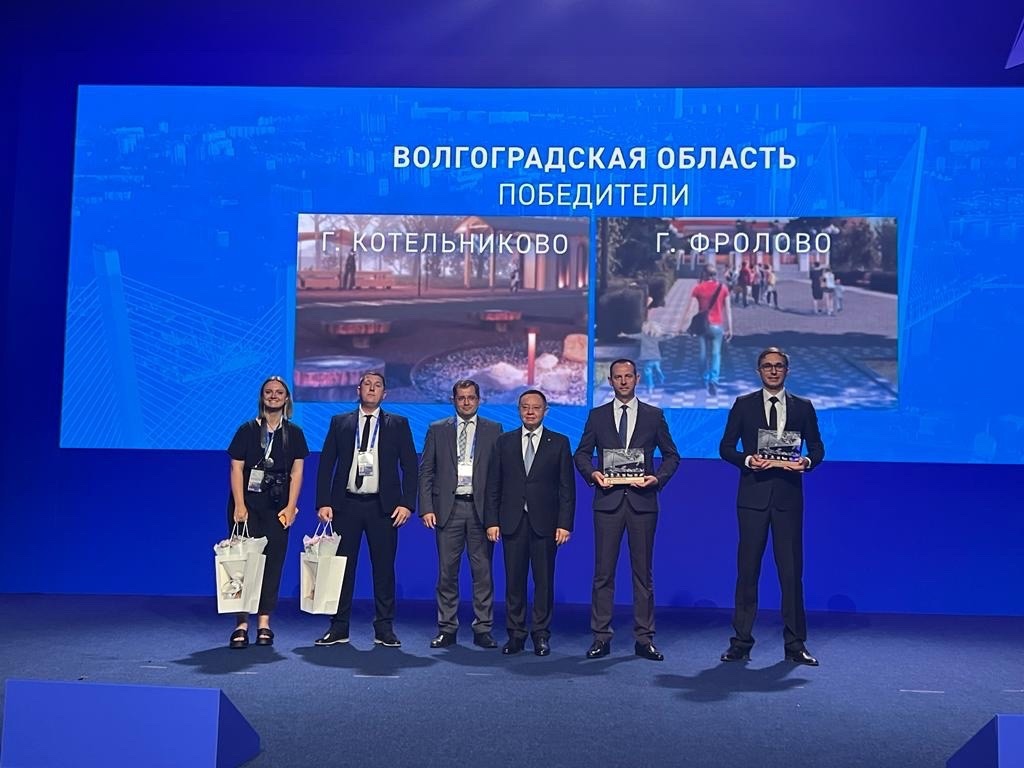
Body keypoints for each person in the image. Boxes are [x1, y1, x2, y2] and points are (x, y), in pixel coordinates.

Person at [718, 347, 825, 666]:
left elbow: (817, 447)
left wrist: (806, 462)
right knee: (747, 572)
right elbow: (726, 447)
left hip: (788, 500)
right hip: (752, 499)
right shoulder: (743, 404)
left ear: (787, 371)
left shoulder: (803, 407)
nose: (773, 370)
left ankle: (795, 644)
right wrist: (748, 460)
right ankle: (741, 642)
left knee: (791, 574)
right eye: (767, 366)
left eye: (779, 366)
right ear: (759, 371)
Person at [574, 359, 680, 661]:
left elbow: (672, 456)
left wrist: (657, 479)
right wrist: (592, 474)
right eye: (617, 377)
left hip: (642, 503)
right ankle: (601, 637)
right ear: (610, 381)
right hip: (607, 503)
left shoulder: (653, 415)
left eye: (628, 376)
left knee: (643, 575)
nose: (623, 381)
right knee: (603, 574)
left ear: (636, 379)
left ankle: (644, 639)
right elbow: (581, 454)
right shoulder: (597, 416)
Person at [314, 372, 417, 648]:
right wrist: (323, 501)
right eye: (367, 385)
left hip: (383, 508)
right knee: (341, 568)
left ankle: (384, 628)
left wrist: (407, 503)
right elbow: (326, 464)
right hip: (345, 506)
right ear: (358, 390)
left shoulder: (398, 424)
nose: (372, 389)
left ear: (385, 394)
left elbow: (410, 466)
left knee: (383, 570)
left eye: (378, 385)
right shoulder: (341, 422)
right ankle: (338, 626)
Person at [485, 389, 574, 657]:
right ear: (518, 410)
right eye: (525, 407)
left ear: (546, 411)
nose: (530, 411)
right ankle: (515, 635)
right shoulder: (504, 442)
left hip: (546, 524)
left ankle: (541, 635)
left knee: (543, 582)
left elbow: (566, 488)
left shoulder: (559, 443)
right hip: (512, 522)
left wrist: (565, 524)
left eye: (536, 407)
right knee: (514, 582)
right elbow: (493, 485)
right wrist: (492, 521)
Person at [418, 379, 503, 649]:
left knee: (483, 573)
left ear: (479, 399)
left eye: (471, 397)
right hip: (448, 509)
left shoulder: (494, 429)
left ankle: (483, 628)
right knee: (447, 573)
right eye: (461, 398)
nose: (466, 402)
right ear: (453, 400)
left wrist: (496, 516)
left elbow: (499, 475)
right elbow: (426, 471)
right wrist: (426, 507)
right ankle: (447, 628)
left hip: (481, 511)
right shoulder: (437, 429)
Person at [226, 376, 309, 649]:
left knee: (273, 562)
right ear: (262, 397)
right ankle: (241, 624)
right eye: (268, 392)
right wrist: (240, 504)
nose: (273, 396)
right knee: (243, 564)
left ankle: (264, 622)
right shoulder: (247, 429)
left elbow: (297, 472)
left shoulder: (294, 433)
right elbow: (236, 468)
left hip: (278, 506)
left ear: (286, 399)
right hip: (247, 505)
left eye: (279, 392)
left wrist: (291, 506)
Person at [686, 264, 734, 397]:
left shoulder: (698, 288)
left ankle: (704, 378)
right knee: (716, 354)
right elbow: (728, 310)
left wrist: (684, 324)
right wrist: (730, 328)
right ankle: (714, 380)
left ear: (704, 274)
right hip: (717, 325)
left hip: (702, 325)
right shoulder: (723, 288)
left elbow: (690, 308)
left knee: (702, 354)